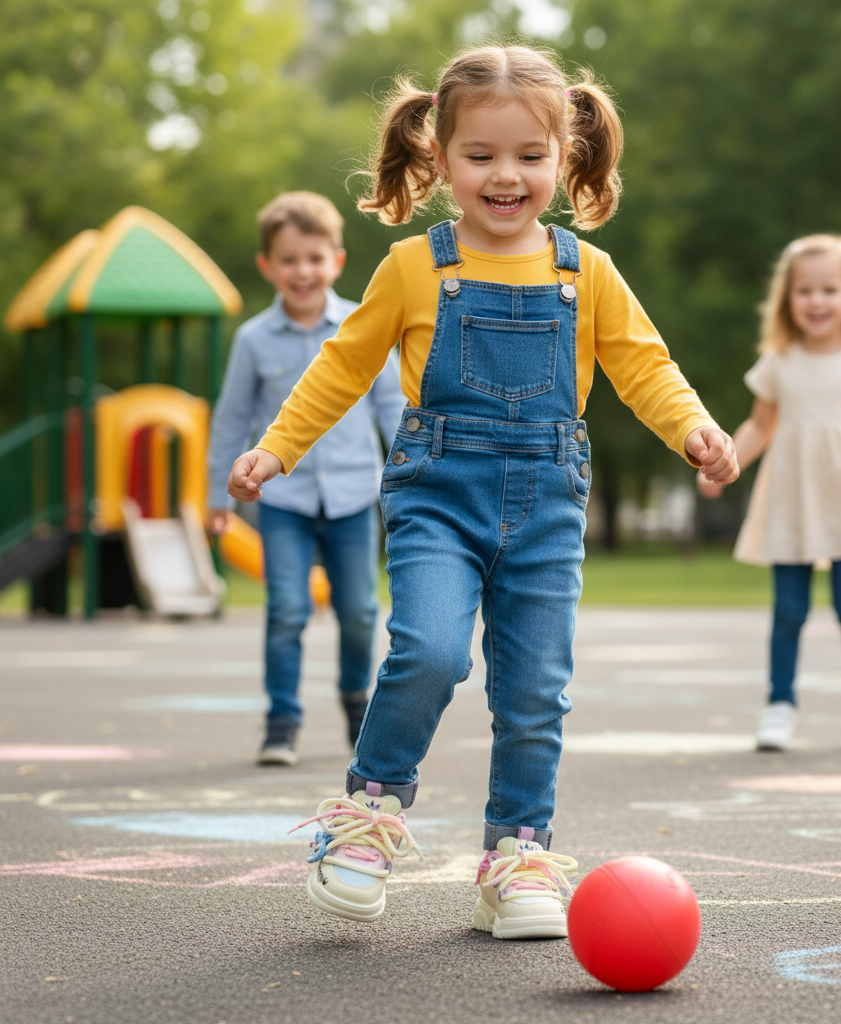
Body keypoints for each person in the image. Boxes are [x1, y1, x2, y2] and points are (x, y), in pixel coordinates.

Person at [228, 46, 738, 939]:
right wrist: (276, 449)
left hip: (548, 506)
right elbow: (340, 369)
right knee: (428, 650)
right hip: (438, 495)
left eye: (530, 157)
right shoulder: (413, 267)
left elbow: (644, 367)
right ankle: (368, 817)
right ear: (440, 159)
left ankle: (517, 854)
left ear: (565, 158)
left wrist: (693, 428)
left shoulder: (588, 272)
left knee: (535, 691)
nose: (506, 176)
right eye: (481, 156)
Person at [698, 234, 841, 752]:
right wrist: (721, 465)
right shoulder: (780, 362)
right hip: (793, 501)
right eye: (805, 291)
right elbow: (758, 427)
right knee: (789, 612)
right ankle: (779, 705)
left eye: (828, 289)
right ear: (787, 300)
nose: (817, 301)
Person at [208, 191, 405, 767]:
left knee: (360, 610)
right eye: (289, 260)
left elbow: (392, 408)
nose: (303, 271)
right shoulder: (252, 340)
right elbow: (231, 421)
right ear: (267, 266)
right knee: (287, 609)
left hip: (352, 495)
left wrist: (412, 475)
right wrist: (214, 494)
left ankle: (354, 702)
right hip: (284, 499)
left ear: (337, 261)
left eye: (314, 258)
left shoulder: (362, 326)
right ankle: (282, 720)